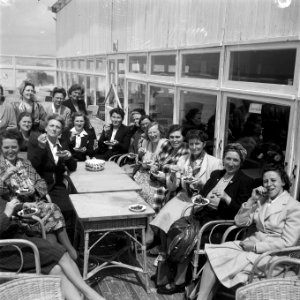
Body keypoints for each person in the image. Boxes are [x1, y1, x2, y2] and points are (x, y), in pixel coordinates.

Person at [155, 142, 254, 294]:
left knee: (186, 236)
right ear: (223, 159)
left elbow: (240, 212)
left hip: (218, 224)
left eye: (235, 160)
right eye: (228, 159)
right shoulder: (216, 175)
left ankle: (179, 281)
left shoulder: (245, 181)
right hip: (202, 215)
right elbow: (202, 195)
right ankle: (173, 272)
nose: (231, 163)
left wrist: (226, 197)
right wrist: (198, 199)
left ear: (241, 162)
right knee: (174, 228)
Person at [197, 164, 300, 300]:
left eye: (273, 180)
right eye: (265, 181)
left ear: (283, 182)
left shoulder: (293, 206)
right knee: (213, 256)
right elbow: (240, 222)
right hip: (250, 246)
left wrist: (257, 247)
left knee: (220, 260)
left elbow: (288, 242)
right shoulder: (262, 200)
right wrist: (252, 200)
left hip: (272, 255)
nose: (269, 184)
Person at [0, 199, 105, 300]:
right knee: (60, 253)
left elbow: (4, 205)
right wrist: (6, 214)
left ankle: (82, 295)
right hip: (9, 250)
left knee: (56, 269)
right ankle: (90, 294)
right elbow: (5, 212)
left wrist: (21, 206)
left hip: (17, 241)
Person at [0, 129, 77, 261]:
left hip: (35, 204)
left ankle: (59, 257)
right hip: (16, 213)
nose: (10, 150)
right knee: (53, 209)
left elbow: (40, 181)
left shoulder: (25, 163)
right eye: (6, 147)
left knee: (51, 223)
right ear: (1, 148)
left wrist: (34, 189)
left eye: (14, 146)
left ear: (19, 147)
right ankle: (71, 254)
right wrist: (5, 177)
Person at [27, 114, 77, 213]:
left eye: (58, 127)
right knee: (50, 212)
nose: (54, 129)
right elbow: (32, 166)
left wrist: (69, 157)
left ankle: (67, 228)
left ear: (61, 131)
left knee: (71, 209)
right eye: (51, 126)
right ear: (46, 128)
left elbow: (72, 167)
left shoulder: (63, 143)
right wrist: (41, 148)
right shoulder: (37, 142)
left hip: (58, 185)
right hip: (40, 186)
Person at [149, 124, 190, 213]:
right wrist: (155, 166)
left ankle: (155, 220)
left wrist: (166, 175)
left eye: (177, 137)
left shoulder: (186, 150)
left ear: (183, 137)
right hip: (157, 179)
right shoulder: (167, 144)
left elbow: (180, 171)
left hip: (172, 184)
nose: (174, 140)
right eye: (171, 137)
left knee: (156, 194)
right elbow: (158, 160)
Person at [133, 122, 167, 205]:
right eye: (150, 132)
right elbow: (140, 161)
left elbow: (165, 165)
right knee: (131, 189)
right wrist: (140, 155)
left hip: (157, 178)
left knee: (146, 193)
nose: (152, 135)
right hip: (142, 174)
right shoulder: (146, 142)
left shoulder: (165, 144)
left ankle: (149, 215)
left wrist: (155, 166)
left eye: (155, 132)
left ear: (160, 132)